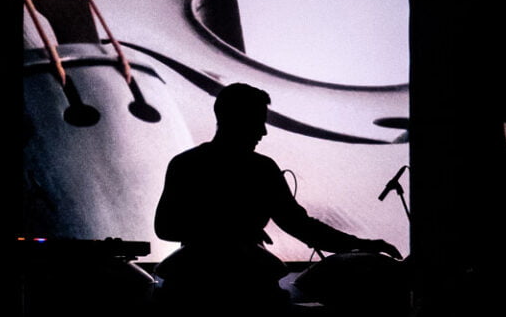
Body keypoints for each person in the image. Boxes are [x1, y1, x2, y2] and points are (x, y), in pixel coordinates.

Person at [153, 83, 400, 302]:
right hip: (250, 285)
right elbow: (300, 225)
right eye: (258, 121)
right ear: (237, 120)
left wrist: (359, 245)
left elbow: (165, 227)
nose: (263, 132)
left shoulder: (185, 164)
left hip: (189, 284)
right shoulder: (261, 169)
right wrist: (360, 245)